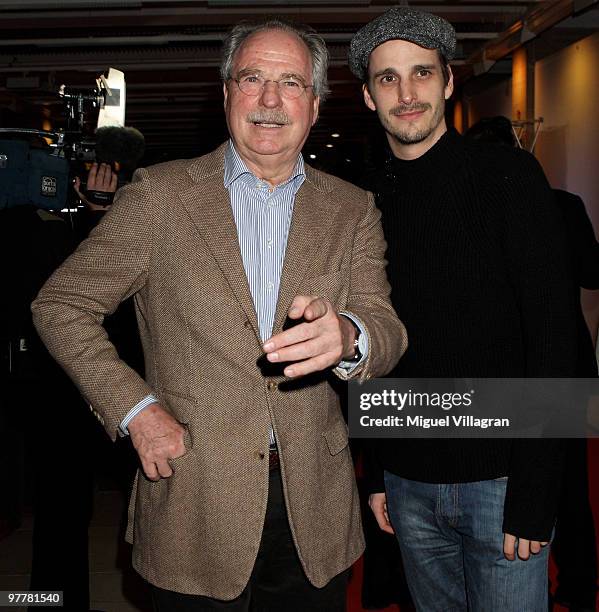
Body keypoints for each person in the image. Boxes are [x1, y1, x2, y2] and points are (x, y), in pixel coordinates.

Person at [32, 17, 407, 611]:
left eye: (289, 83)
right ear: (227, 92)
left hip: (315, 503)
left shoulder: (352, 208)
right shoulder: (160, 195)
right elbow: (61, 305)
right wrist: (136, 408)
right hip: (192, 496)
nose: (268, 99)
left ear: (313, 105)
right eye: (252, 78)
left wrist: (352, 333)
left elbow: (387, 326)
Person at [349, 8, 578, 611]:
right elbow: (375, 342)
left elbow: (553, 336)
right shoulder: (365, 201)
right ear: (368, 97)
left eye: (421, 73)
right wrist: (377, 473)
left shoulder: (507, 176)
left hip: (501, 484)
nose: (406, 93)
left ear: (449, 81)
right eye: (388, 79)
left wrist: (536, 491)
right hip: (407, 481)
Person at [466, 116, 599, 611]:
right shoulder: (563, 205)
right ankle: (579, 586)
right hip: (559, 372)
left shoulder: (479, 209)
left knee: (509, 483)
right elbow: (592, 272)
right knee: (567, 486)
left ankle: (537, 587)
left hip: (516, 375)